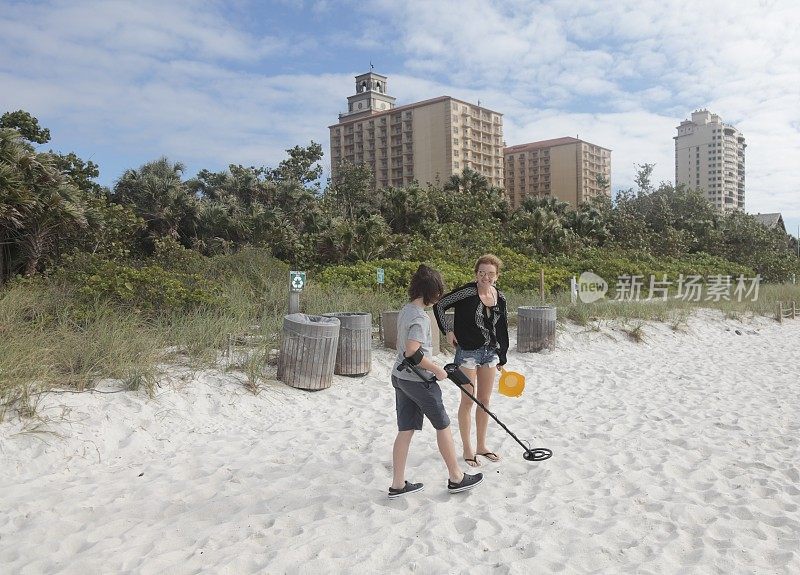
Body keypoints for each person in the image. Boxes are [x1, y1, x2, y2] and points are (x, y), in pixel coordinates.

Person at [389, 264, 484, 499]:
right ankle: (456, 477)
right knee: (443, 425)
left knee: (406, 429)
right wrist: (437, 370)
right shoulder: (420, 318)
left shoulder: (406, 309)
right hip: (418, 381)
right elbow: (412, 351)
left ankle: (398, 484)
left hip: (400, 378)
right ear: (431, 292)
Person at [433, 254, 509, 468]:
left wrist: (502, 356)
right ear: (476, 274)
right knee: (468, 401)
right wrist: (447, 330)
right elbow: (439, 305)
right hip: (467, 352)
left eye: (490, 274)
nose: (486, 277)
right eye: (481, 272)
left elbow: (501, 329)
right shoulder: (467, 292)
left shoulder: (500, 297)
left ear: (497, 276)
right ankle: (467, 448)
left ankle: (481, 446)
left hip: (490, 353)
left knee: (484, 401)